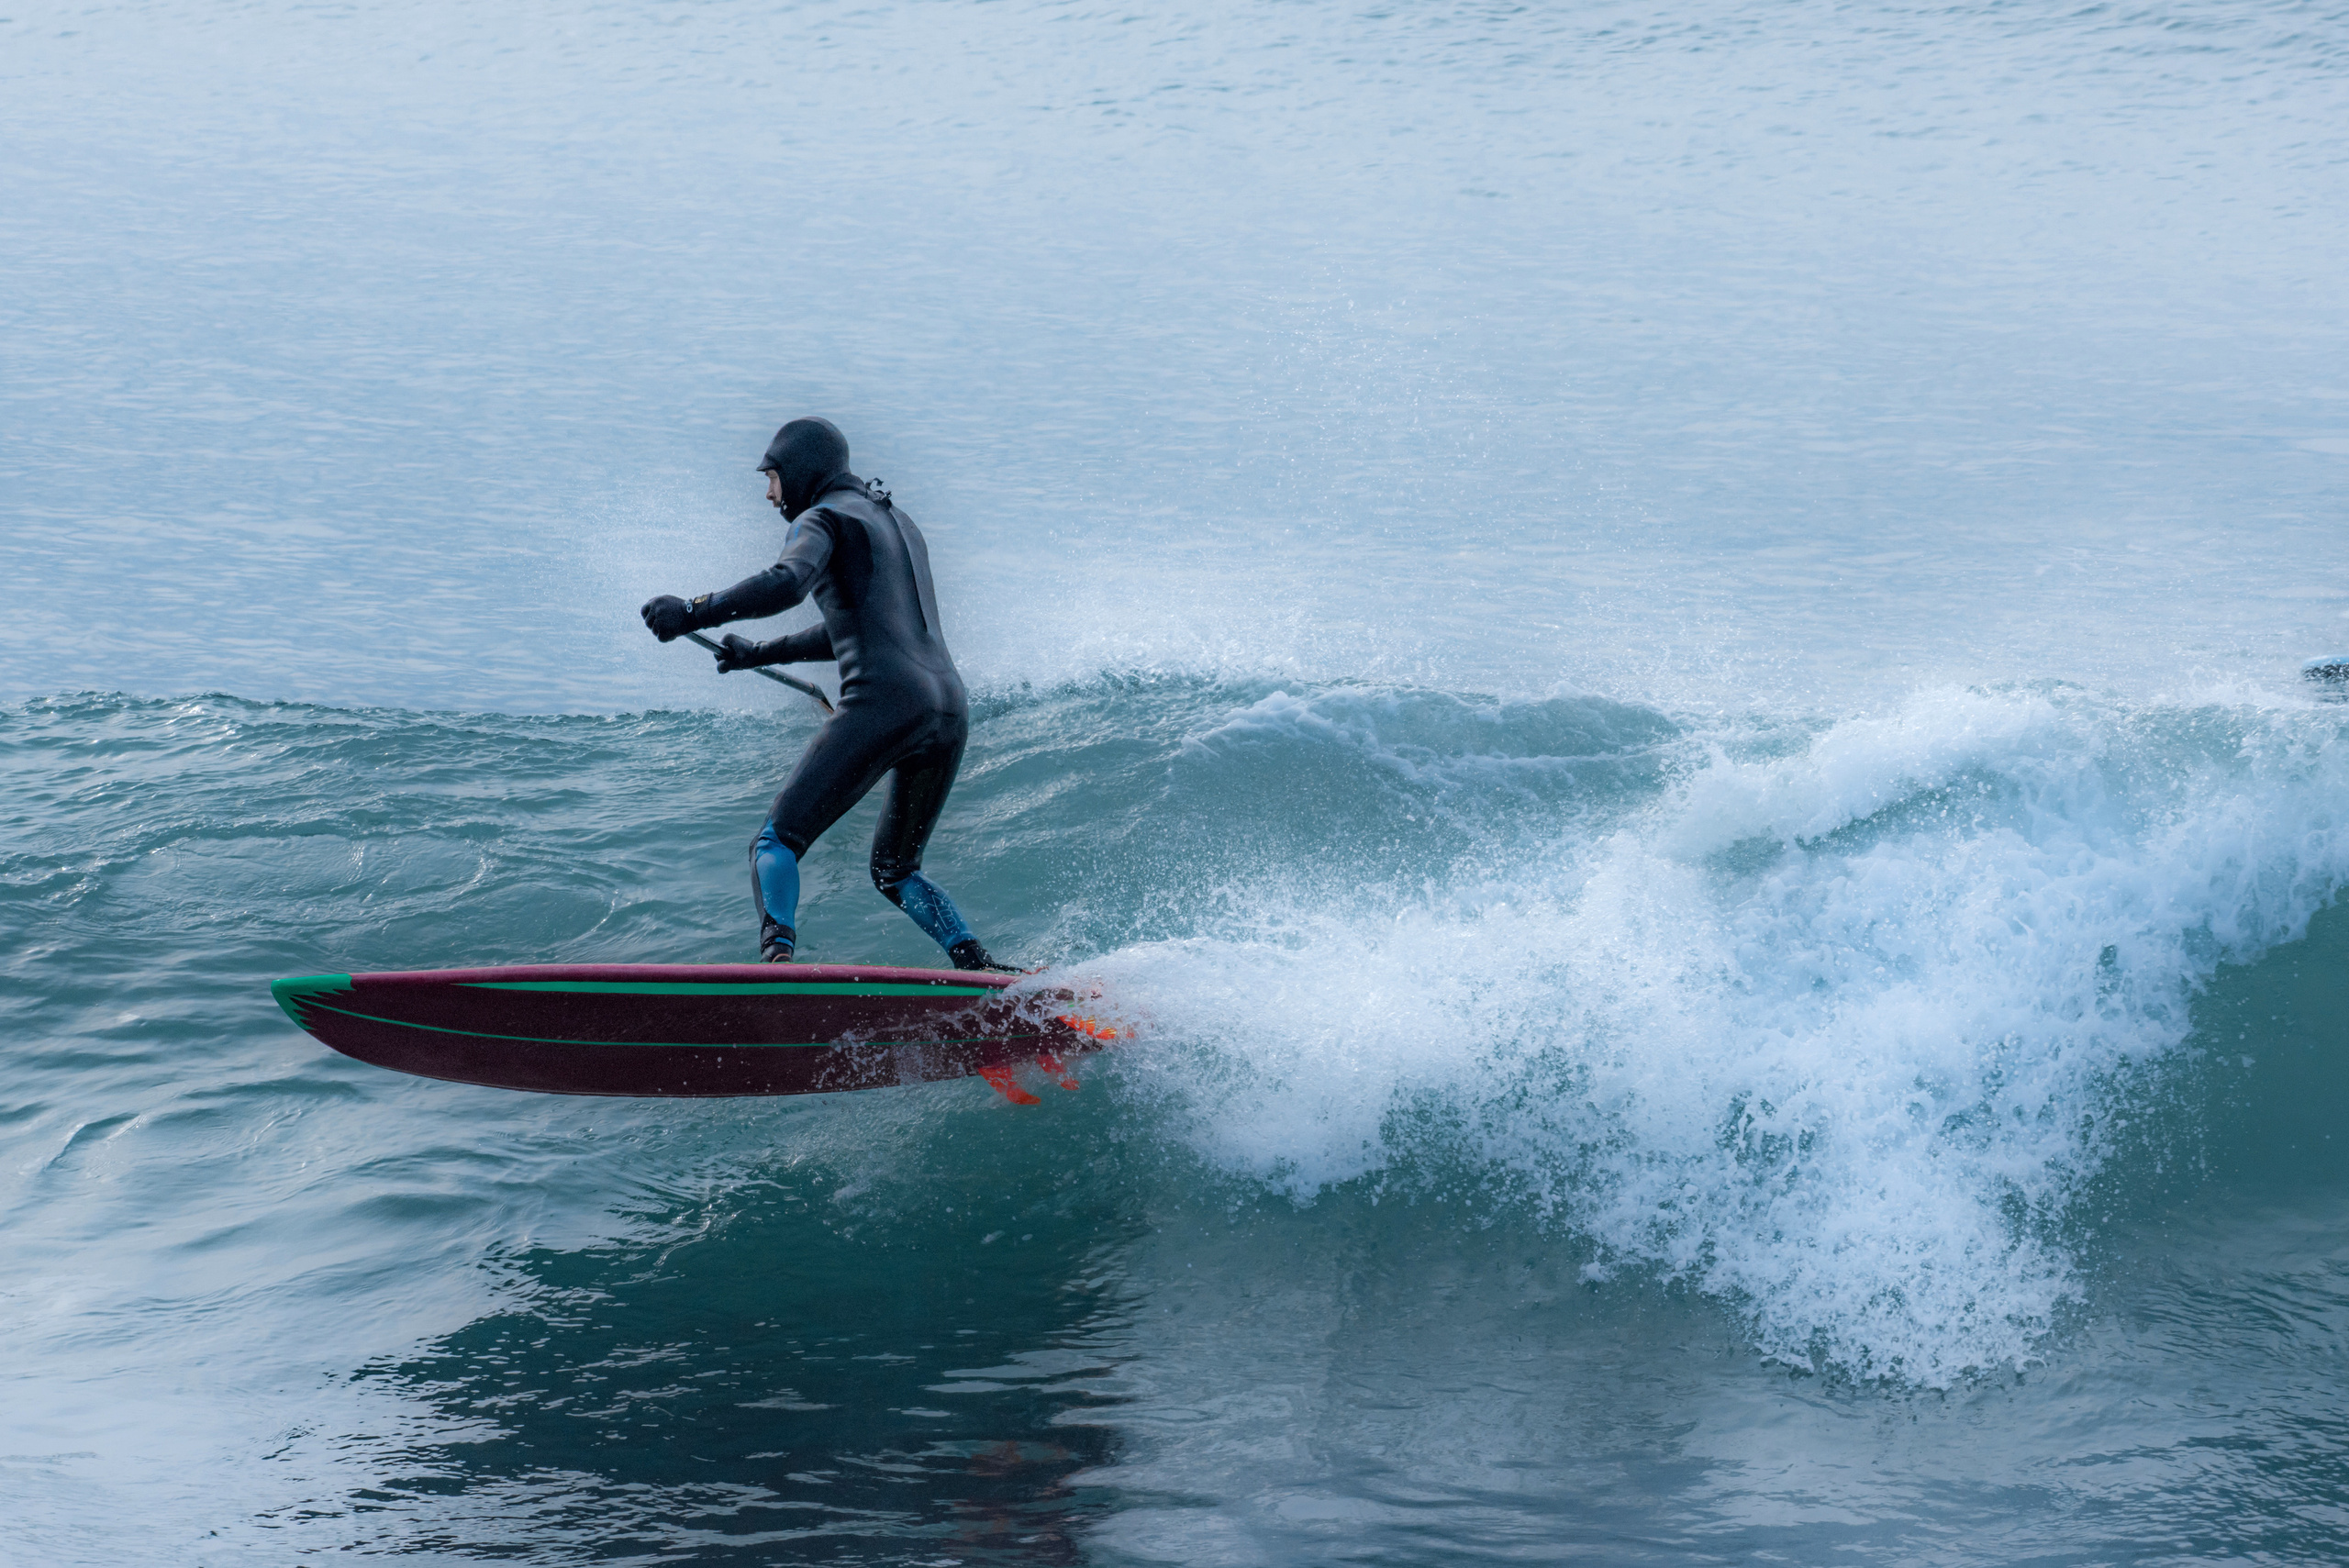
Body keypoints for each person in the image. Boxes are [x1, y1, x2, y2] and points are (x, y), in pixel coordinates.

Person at [639, 417, 1015, 972]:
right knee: (897, 869)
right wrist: (758, 653)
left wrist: (694, 611)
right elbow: (862, 628)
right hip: (948, 707)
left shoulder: (823, 516)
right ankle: (975, 964)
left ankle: (777, 964)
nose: (769, 494)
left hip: (884, 700)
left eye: (772, 477)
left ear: (801, 471)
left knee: (775, 842)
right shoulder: (898, 522)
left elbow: (787, 581)